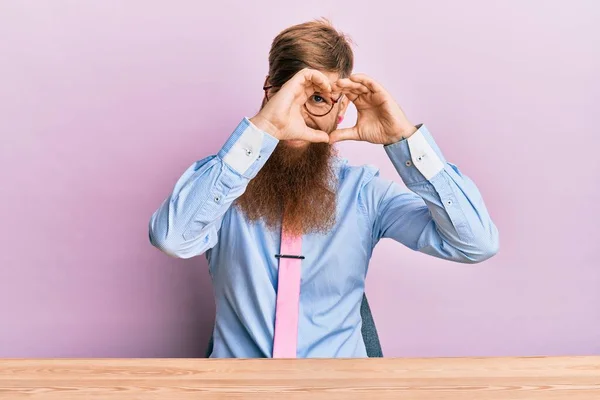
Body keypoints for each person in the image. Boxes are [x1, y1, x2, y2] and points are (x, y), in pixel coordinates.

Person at [149, 19, 499, 358]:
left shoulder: (365, 193)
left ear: (341, 108)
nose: (299, 117)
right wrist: (262, 129)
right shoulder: (220, 185)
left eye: (318, 99)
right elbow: (172, 238)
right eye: (289, 97)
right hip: (240, 389)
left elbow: (475, 243)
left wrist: (404, 139)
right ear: (268, 92)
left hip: (339, 389)